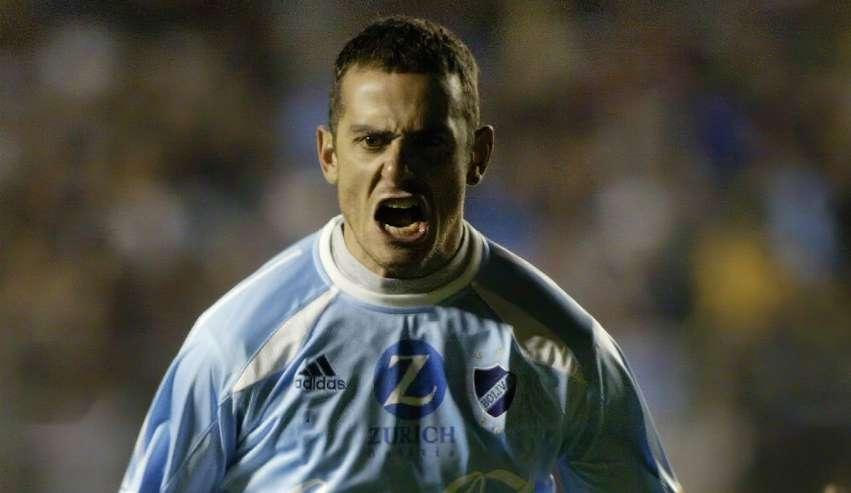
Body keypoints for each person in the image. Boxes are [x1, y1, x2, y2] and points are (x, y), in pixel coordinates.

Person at [121, 16, 682, 493]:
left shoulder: (560, 346)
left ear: (477, 155)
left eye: (428, 143)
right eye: (372, 141)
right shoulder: (239, 342)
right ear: (328, 155)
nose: (396, 169)